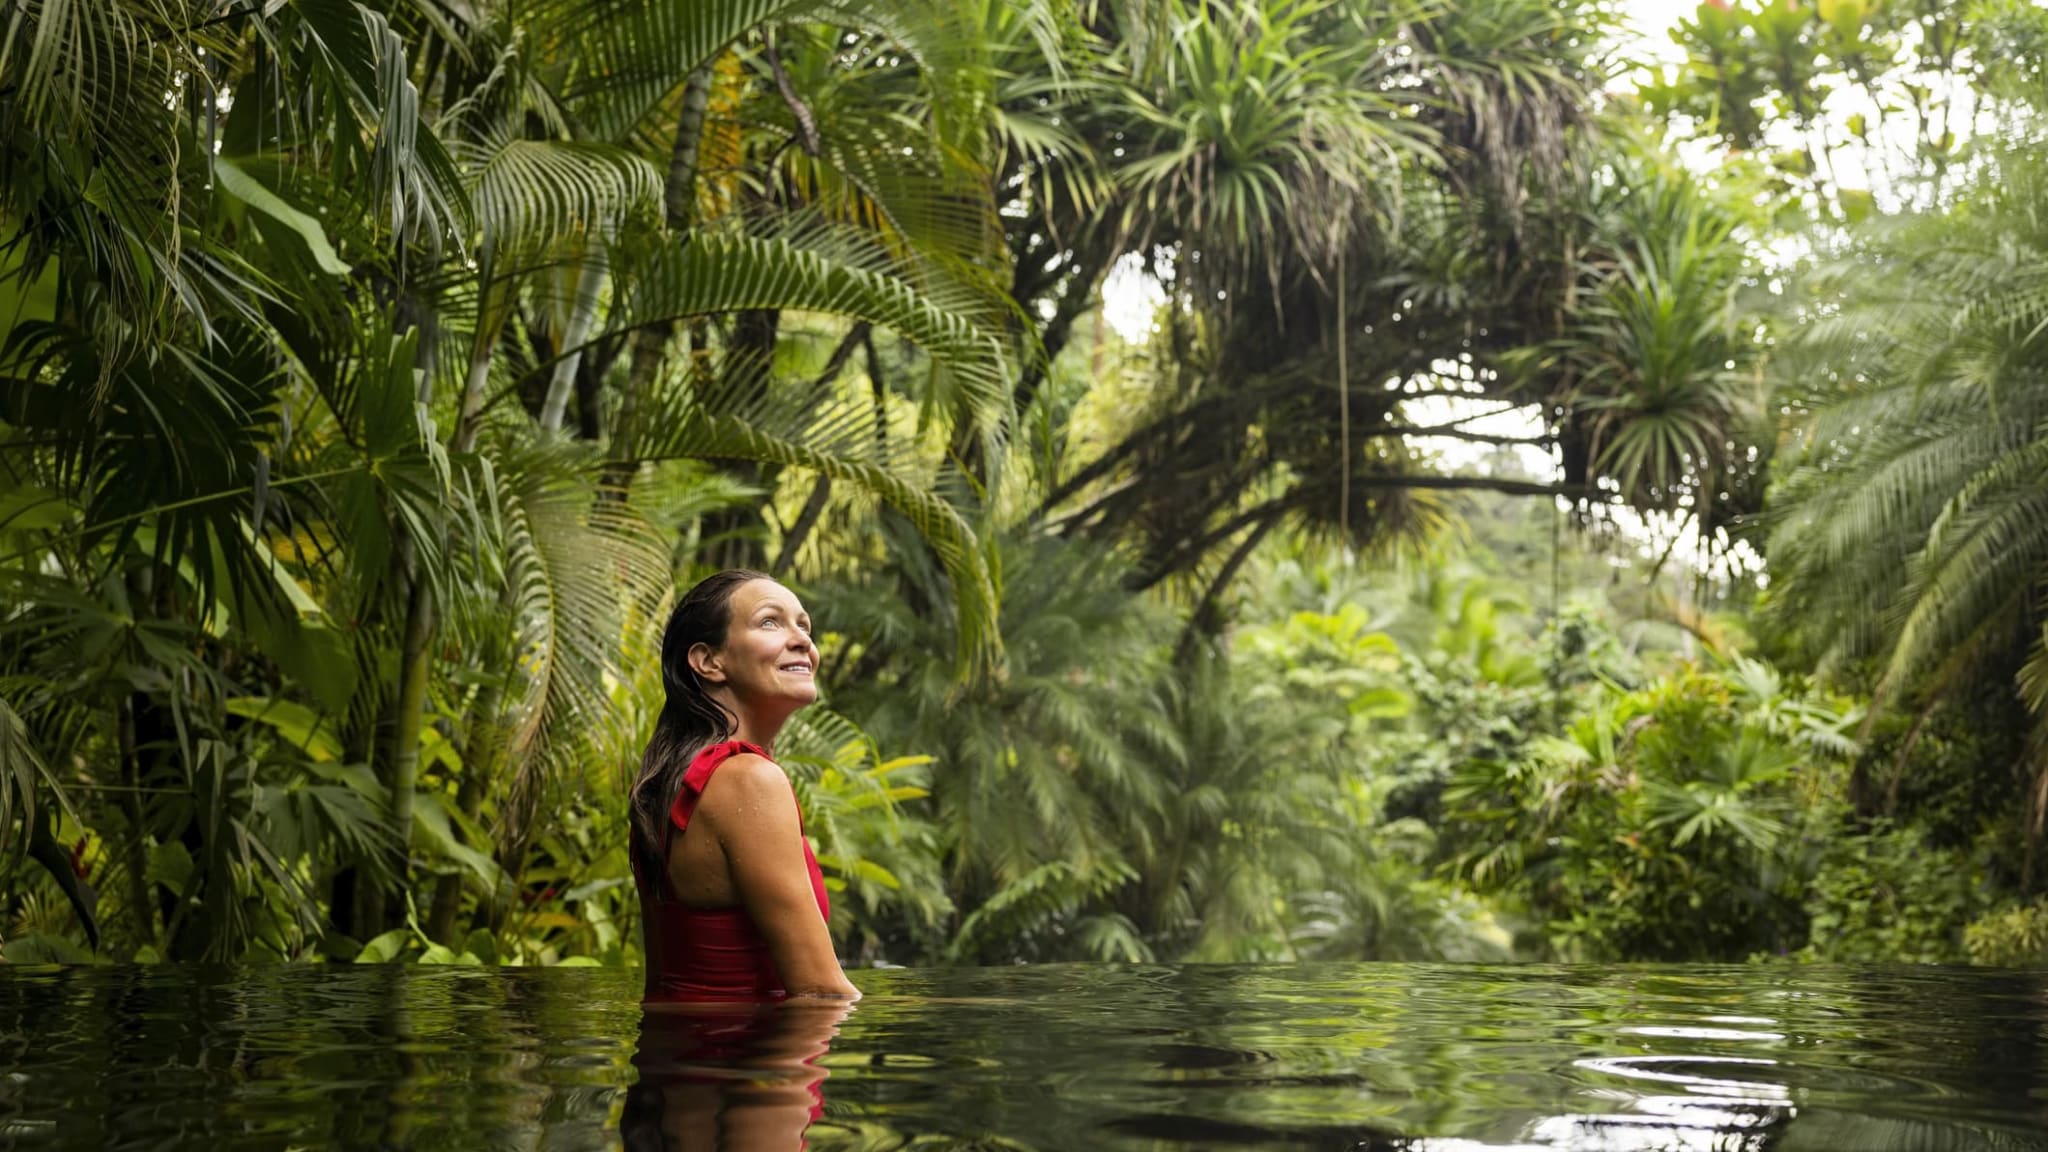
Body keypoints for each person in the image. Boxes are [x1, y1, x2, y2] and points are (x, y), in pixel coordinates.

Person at [630, 569, 861, 1004]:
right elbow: (821, 990)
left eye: (804, 626)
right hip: (753, 1047)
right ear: (708, 661)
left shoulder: (673, 781)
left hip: (683, 1045)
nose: (802, 641)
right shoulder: (748, 780)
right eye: (770, 621)